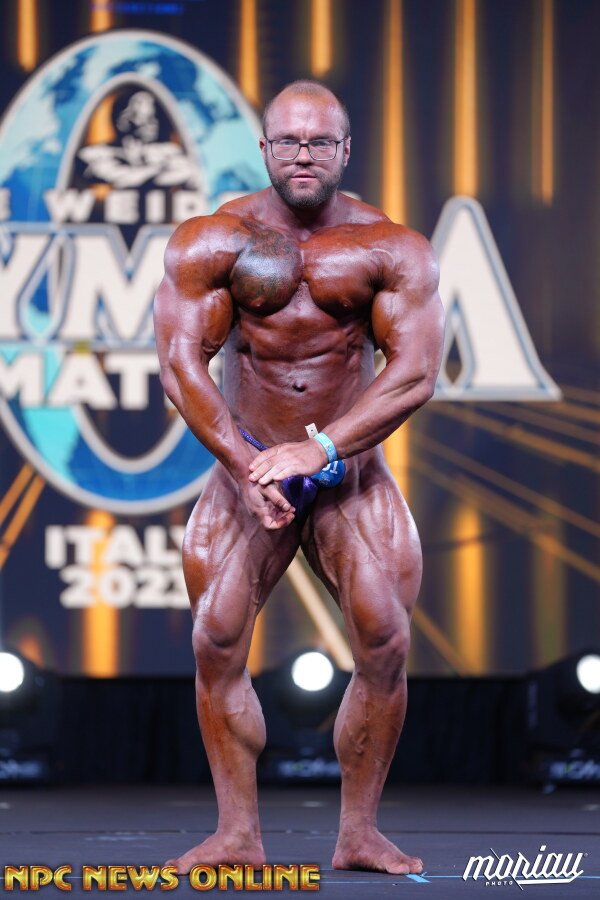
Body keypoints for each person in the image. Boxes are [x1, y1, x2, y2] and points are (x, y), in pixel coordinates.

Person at [153, 79, 445, 876]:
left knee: (385, 639)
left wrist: (318, 452)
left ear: (346, 150)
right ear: (265, 149)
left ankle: (359, 833)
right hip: (246, 466)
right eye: (289, 141)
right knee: (215, 638)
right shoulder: (214, 240)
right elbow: (180, 365)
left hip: (348, 473)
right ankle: (237, 835)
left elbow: (415, 373)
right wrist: (246, 464)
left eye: (320, 142)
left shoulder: (391, 248)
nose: (304, 154)